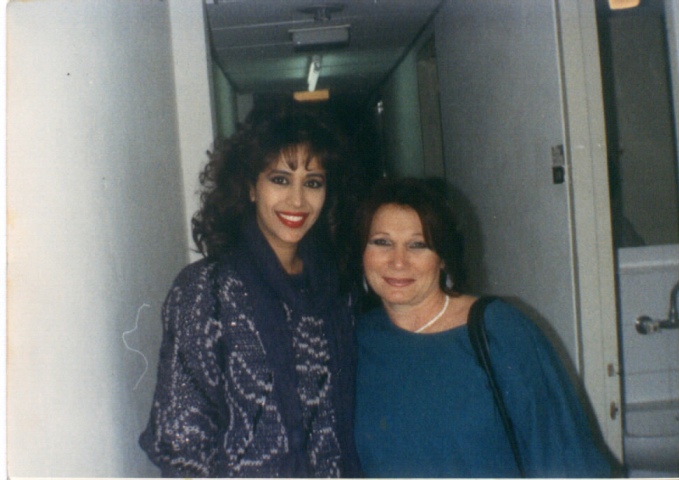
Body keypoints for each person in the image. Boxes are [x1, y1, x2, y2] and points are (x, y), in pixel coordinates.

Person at [139, 106, 362, 477]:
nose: (297, 200)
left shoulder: (338, 290)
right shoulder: (207, 290)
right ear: (249, 187)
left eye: (312, 183)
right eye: (280, 179)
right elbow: (180, 442)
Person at [352, 177, 612, 478]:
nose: (398, 261)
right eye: (382, 242)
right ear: (362, 253)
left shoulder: (499, 331)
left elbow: (566, 461)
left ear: (443, 259)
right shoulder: (356, 340)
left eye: (418, 245)